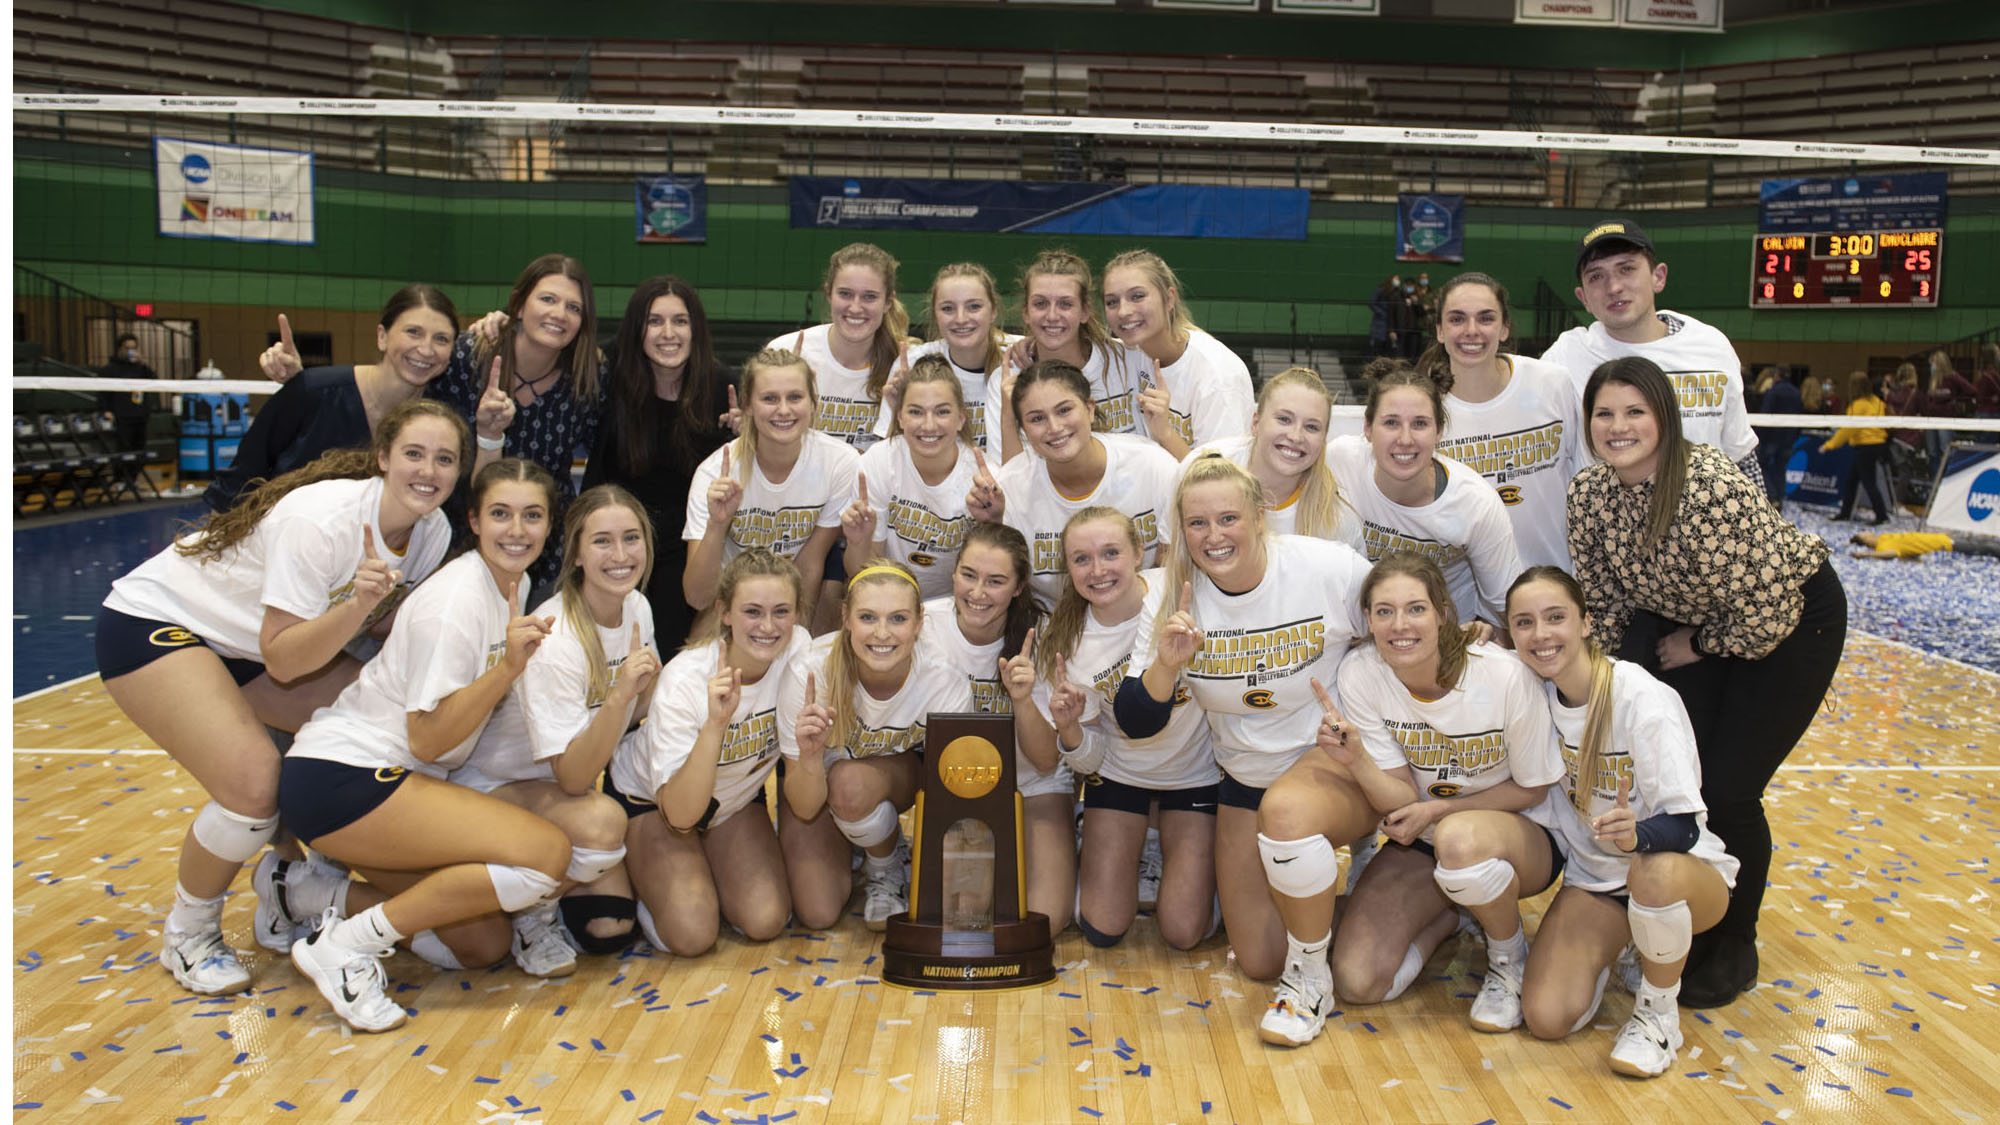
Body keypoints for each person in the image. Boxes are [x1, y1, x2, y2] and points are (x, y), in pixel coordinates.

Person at [97, 400, 467, 994]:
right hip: (158, 625)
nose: (428, 471)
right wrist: (355, 605)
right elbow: (286, 657)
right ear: (383, 458)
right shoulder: (322, 521)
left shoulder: (432, 531)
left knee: (379, 731)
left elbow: (378, 627)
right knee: (252, 789)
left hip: (246, 645)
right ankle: (188, 936)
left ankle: (292, 887)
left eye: (444, 459)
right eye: (414, 454)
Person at [1567, 355, 1846, 1007]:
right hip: (1698, 621)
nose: (1618, 426)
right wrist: (1604, 695)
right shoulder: (1589, 494)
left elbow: (1770, 611)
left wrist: (1696, 644)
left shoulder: (1706, 485)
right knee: (1679, 776)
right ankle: (1679, 915)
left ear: (1664, 416)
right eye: (1604, 412)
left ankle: (1735, 941)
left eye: (1635, 411)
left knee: (1729, 788)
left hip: (1791, 619)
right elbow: (1605, 604)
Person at [276, 458, 573, 1033]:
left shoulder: (513, 584)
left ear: (549, 526)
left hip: (381, 784)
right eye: (501, 515)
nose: (517, 530)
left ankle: (306, 893)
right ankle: (341, 948)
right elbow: (428, 739)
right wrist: (507, 670)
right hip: (344, 777)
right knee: (546, 856)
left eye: (532, 516)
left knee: (481, 943)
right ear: (474, 521)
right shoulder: (455, 601)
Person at [1258, 554, 1560, 1048]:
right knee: (1359, 981)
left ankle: (1508, 960)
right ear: (1369, 620)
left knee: (1459, 841)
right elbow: (1398, 794)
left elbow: (1534, 787)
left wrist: (1440, 811)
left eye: (1415, 609)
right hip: (1429, 840)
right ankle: (1452, 912)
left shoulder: (1503, 675)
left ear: (1443, 612)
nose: (1400, 625)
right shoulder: (1362, 673)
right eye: (1384, 612)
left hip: (1518, 830)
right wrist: (1357, 761)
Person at [1121, 457, 1373, 992]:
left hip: (1329, 761)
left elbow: (1401, 630)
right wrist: (1167, 663)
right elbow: (1136, 720)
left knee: (1289, 815)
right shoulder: (1170, 595)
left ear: (1261, 517)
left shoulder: (1329, 567)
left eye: (1228, 518)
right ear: (1181, 529)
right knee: (1260, 959)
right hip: (1244, 779)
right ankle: (1373, 904)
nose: (1214, 536)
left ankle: (1316, 973)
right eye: (1197, 523)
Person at [1505, 567, 1738, 1078]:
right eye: (1524, 623)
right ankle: (1630, 941)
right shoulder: (1529, 693)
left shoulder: (1640, 697)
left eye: (1555, 617)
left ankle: (1658, 1013)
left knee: (1649, 871)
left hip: (1679, 874)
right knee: (1545, 1017)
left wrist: (1639, 836)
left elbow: (1685, 826)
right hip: (1597, 882)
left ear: (1587, 623)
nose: (1541, 634)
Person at [441, 485, 659, 974]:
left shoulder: (636, 608)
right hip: (493, 788)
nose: (621, 555)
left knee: (609, 929)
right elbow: (574, 780)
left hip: (554, 791)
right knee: (604, 824)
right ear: (576, 553)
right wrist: (623, 694)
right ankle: (532, 914)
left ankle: (538, 885)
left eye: (631, 538)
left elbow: (639, 706)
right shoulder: (555, 636)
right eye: (602, 541)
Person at [1029, 508, 1217, 951]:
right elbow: (1090, 757)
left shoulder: (1183, 594)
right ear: (1067, 568)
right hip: (1120, 774)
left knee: (1182, 932)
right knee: (1101, 927)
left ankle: (1192, 863)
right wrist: (1070, 728)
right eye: (1081, 559)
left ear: (1138, 553)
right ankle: (1119, 839)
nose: (1097, 571)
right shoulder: (1068, 641)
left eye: (1110, 553)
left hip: (1195, 774)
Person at [610, 548, 812, 955]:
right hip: (655, 802)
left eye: (781, 612)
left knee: (766, 919)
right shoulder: (685, 680)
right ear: (725, 613)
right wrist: (715, 725)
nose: (768, 627)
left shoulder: (799, 650)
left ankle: (703, 866)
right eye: (752, 611)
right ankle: (640, 881)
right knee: (692, 935)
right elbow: (680, 815)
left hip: (731, 801)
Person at [777, 562, 974, 930]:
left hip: (896, 779)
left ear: (919, 623)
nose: (882, 634)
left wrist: (941, 880)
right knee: (818, 911)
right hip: (817, 791)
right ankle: (874, 843)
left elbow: (951, 793)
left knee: (850, 785)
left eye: (897, 619)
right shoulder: (809, 672)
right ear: (846, 618)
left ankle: (886, 870)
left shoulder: (943, 679)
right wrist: (808, 757)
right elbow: (804, 806)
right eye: (868, 617)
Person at [918, 522, 1073, 933]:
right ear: (953, 573)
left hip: (1034, 783)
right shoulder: (922, 626)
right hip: (959, 790)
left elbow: (1044, 761)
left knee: (1047, 921)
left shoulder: (1043, 635)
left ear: (1020, 586)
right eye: (968, 575)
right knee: (966, 917)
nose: (978, 593)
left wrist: (1021, 699)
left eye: (996, 581)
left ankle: (1065, 836)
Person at [1541, 219, 1762, 488]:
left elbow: (1741, 457)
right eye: (1596, 276)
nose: (1613, 287)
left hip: (1704, 521)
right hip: (1609, 524)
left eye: (1627, 269)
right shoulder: (1564, 358)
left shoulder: (1710, 347)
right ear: (1583, 297)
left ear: (1659, 276)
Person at [431, 253, 602, 591]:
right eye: (548, 299)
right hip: (455, 532)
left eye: (574, 308)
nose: (559, 314)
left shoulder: (589, 378)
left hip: (543, 547)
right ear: (519, 306)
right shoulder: (468, 356)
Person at [581, 277, 733, 656]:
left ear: (695, 329)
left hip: (686, 545)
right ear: (637, 329)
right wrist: (502, 324)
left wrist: (750, 435)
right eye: (654, 321)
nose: (669, 333)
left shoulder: (724, 388)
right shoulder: (609, 378)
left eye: (680, 321)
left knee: (668, 652)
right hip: (622, 537)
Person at [218, 287, 460, 511]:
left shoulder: (440, 420)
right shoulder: (312, 391)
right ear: (382, 337)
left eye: (441, 339)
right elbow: (236, 485)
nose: (426, 349)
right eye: (413, 332)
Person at [1324, 362, 1523, 629]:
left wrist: (1490, 636)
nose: (1405, 439)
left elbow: (1508, 609)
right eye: (1391, 422)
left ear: (1439, 431)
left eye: (1420, 424)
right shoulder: (1340, 462)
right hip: (1360, 632)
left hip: (1445, 639)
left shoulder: (1474, 505)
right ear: (1368, 429)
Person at [967, 359, 1180, 605]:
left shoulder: (1151, 464)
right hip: (1053, 625)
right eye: (1037, 419)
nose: (1055, 427)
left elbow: (1172, 568)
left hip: (1146, 614)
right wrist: (993, 524)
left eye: (1064, 410)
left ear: (1089, 409)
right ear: (1023, 429)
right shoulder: (1009, 490)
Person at [683, 347, 860, 628]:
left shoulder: (840, 462)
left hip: (792, 595)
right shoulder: (715, 474)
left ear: (813, 402)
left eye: (795, 397)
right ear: (748, 405)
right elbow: (697, 597)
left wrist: (795, 644)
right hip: (734, 599)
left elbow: (810, 564)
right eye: (769, 399)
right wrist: (717, 525)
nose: (784, 410)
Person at [1419, 272, 1585, 570]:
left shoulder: (1551, 382)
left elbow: (1586, 475)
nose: (1472, 330)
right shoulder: (1423, 409)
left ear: (1505, 328)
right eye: (1457, 319)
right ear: (1440, 331)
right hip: (1468, 603)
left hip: (1555, 583)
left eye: (1486, 319)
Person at [1179, 367, 1361, 550]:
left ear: (1324, 440)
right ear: (1255, 423)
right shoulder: (1199, 470)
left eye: (1312, 427)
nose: (1296, 436)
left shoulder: (1339, 523)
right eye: (1284, 419)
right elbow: (1171, 560)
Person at [1101, 248, 1255, 460]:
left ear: (1169, 299)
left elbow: (1219, 481)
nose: (1123, 311)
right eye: (1112, 302)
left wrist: (1165, 433)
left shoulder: (1218, 377)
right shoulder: (1133, 351)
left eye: (1137, 296)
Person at [844, 355, 976, 600]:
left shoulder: (980, 478)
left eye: (942, 412)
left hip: (957, 606)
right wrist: (858, 543)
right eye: (916, 412)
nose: (928, 425)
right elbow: (861, 574)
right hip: (889, 597)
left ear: (960, 419)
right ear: (900, 417)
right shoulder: (879, 462)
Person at [999, 249, 1145, 459]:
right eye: (1040, 304)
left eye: (1065, 304)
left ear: (1085, 311)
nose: (1052, 316)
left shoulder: (1128, 358)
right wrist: (1009, 416)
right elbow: (1011, 477)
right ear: (1026, 313)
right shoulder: (1009, 380)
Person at [768, 242, 909, 451]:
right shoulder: (786, 352)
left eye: (869, 296)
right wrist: (750, 423)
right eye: (845, 294)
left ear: (888, 302)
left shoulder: (904, 366)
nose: (855, 307)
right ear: (828, 293)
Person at [900, 262, 1018, 452]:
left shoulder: (1022, 357)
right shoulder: (912, 364)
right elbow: (893, 450)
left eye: (974, 307)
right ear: (935, 314)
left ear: (993, 311)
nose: (961, 318)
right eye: (948, 308)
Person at [1819, 370, 1891, 525]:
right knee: (1852, 480)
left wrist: (1830, 445)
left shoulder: (1857, 406)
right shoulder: (1877, 402)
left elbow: (1847, 429)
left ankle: (1882, 516)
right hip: (1876, 444)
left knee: (1868, 481)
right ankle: (1846, 513)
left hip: (1865, 445)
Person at [1750, 367, 1803, 507]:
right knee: (1781, 469)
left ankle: (1773, 497)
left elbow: (1765, 415)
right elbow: (1800, 417)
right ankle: (1780, 498)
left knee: (1761, 466)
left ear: (1777, 376)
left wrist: (1758, 437)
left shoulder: (1773, 392)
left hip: (1770, 438)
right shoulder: (1797, 393)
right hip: (1788, 439)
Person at [96, 331, 156, 451]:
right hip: (121, 417)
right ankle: (122, 470)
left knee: (139, 449)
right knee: (123, 450)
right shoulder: (109, 369)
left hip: (139, 415)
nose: (131, 351)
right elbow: (102, 393)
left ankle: (136, 469)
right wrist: (106, 410)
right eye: (127, 348)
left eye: (134, 348)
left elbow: (153, 381)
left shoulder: (140, 368)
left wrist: (143, 363)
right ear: (120, 349)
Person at [1848, 528, 2000, 560]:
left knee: (1986, 544)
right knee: (1988, 548)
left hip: (1943, 538)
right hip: (1946, 546)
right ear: (1866, 541)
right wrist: (1867, 554)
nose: (1869, 532)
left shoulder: (1884, 537)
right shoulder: (1883, 547)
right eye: (1865, 533)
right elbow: (1892, 554)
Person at [1973, 342, 2000, 419]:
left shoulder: (1984, 372)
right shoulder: (1990, 374)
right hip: (1990, 413)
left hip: (1985, 411)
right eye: (1998, 352)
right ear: (1993, 356)